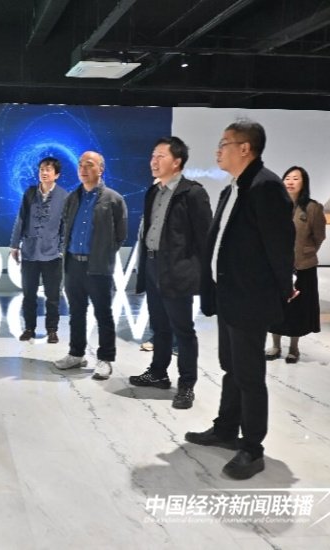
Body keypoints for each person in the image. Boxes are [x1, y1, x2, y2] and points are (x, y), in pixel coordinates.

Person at [186, 120, 295, 480]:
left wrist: (284, 289)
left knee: (249, 375)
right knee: (231, 367)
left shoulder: (266, 187)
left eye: (224, 143)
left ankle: (252, 447)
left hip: (250, 298)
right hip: (229, 295)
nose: (218, 150)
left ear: (245, 148)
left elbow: (280, 245)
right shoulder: (232, 188)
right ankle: (225, 428)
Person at [129, 137, 212, 409]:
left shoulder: (192, 193)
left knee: (183, 330)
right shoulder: (154, 191)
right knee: (159, 326)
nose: (153, 161)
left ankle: (186, 384)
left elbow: (205, 239)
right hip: (153, 266)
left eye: (160, 156)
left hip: (177, 271)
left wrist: (198, 275)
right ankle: (158, 372)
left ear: (177, 162)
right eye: (153, 156)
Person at [54, 151, 127, 380]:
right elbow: (65, 227)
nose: (83, 169)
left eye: (89, 164)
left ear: (101, 169)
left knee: (103, 313)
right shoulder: (72, 198)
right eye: (80, 165)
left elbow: (120, 235)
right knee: (76, 312)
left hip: (98, 266)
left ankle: (105, 359)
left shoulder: (113, 199)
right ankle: (76, 354)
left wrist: (104, 253)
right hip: (73, 265)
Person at [266, 166, 326, 364]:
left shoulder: (312, 208)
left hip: (302, 266)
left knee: (297, 309)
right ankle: (275, 345)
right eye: (287, 178)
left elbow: (319, 236)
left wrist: (306, 252)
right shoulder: (274, 205)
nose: (290, 182)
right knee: (276, 306)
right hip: (276, 266)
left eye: (296, 178)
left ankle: (294, 348)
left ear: (304, 183)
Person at [9, 157, 68, 344]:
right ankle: (29, 328)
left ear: (56, 175)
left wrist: (61, 250)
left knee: (53, 295)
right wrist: (14, 244)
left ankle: (52, 330)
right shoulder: (30, 193)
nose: (44, 173)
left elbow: (65, 226)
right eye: (42, 169)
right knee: (29, 294)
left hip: (52, 254)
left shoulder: (64, 196)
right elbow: (21, 219)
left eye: (48, 170)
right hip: (30, 252)